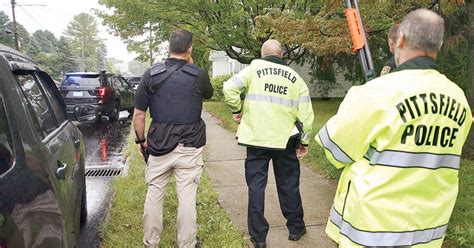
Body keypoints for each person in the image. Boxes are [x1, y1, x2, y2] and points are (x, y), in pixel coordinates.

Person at [316, 9, 472, 247]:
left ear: (400, 39)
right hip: (429, 232)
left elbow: (335, 152)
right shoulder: (459, 98)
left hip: (372, 229)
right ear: (438, 45)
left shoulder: (376, 92)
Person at [223, 39, 314, 248]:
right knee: (289, 184)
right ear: (281, 55)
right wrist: (304, 141)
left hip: (256, 138)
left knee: (256, 187)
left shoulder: (254, 69)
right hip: (286, 140)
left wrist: (237, 111)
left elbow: (229, 88)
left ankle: (258, 238)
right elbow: (307, 116)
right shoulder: (295, 78)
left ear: (263, 54)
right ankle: (296, 228)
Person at [133, 29, 213, 248]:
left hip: (159, 145)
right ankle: (187, 244)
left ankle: (151, 242)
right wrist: (192, 64)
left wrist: (141, 142)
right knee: (187, 196)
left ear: (169, 47)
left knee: (154, 193)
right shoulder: (198, 74)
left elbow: (139, 115)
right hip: (190, 146)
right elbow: (209, 94)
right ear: (189, 48)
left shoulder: (151, 74)